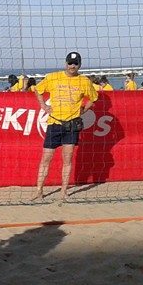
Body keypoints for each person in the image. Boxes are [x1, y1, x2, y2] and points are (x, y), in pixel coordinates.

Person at [31, 51, 99, 202]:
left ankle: (63, 192)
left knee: (67, 160)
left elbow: (93, 98)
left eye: (75, 63)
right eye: (70, 63)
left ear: (79, 65)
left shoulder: (84, 81)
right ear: (65, 63)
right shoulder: (53, 77)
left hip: (72, 125)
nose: (72, 66)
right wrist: (43, 106)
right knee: (46, 159)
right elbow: (37, 89)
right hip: (54, 123)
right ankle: (39, 191)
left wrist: (83, 110)